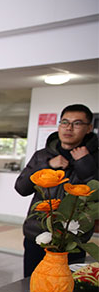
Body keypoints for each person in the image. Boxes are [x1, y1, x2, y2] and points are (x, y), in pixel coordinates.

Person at [15, 103, 98, 277]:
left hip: (72, 239)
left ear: (89, 128)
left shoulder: (94, 158)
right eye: (65, 122)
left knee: (65, 286)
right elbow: (21, 188)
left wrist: (84, 164)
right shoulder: (42, 156)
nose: (69, 128)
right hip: (38, 235)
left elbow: (96, 196)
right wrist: (47, 166)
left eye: (77, 123)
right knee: (31, 282)